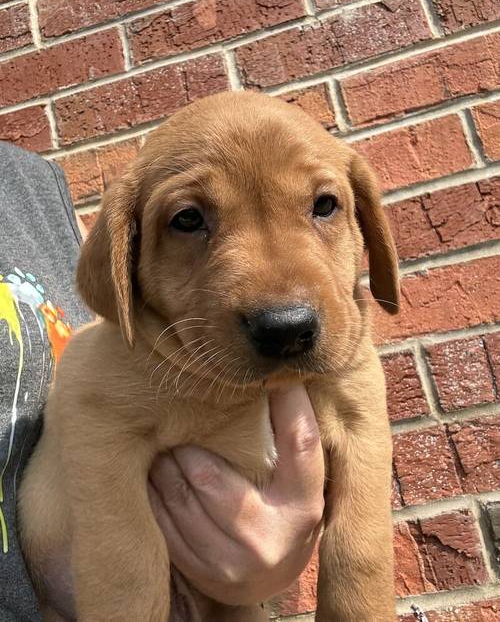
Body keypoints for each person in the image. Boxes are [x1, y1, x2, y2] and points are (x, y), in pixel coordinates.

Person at [0, 141, 324, 621]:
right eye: (190, 220)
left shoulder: (27, 182)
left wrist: (260, 562)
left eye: (322, 207)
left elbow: (104, 331)